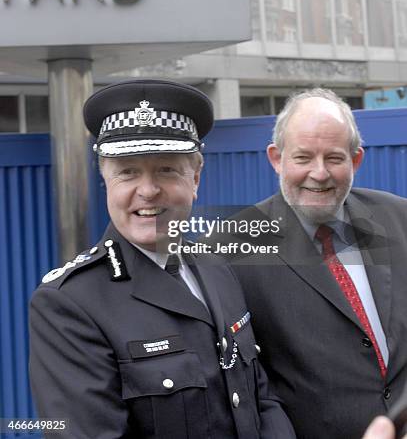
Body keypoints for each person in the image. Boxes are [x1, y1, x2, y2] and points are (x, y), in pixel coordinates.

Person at [29, 79, 296, 439]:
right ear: (105, 181)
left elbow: (259, 398)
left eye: (166, 170)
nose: (148, 190)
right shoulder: (70, 304)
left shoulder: (216, 267)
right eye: (128, 172)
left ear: (196, 177)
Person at [226, 88, 407, 439]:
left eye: (334, 158)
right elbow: (245, 387)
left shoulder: (400, 218)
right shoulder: (231, 249)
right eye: (303, 157)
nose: (319, 173)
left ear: (356, 160)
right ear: (276, 158)